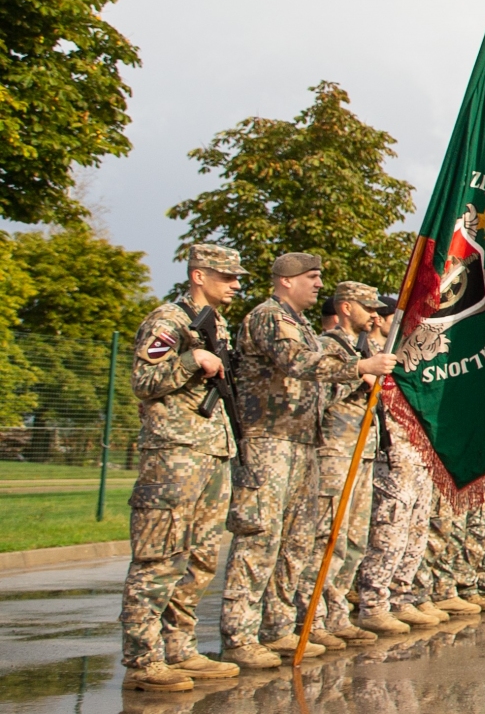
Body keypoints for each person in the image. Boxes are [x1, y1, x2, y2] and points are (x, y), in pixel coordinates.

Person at [219, 254, 396, 668]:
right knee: (259, 539)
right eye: (312, 278)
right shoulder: (268, 317)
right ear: (285, 281)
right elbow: (295, 362)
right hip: (269, 439)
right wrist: (360, 366)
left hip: (301, 440)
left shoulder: (298, 324)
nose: (319, 286)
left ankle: (278, 628)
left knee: (295, 542)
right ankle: (239, 634)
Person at [120, 244, 248, 692]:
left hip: (210, 450)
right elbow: (143, 382)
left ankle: (180, 648)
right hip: (173, 454)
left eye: (237, 277)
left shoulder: (218, 325)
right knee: (159, 556)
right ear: (198, 276)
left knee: (200, 558)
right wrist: (191, 360)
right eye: (226, 276)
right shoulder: (168, 322)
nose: (235, 284)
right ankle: (143, 659)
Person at [294, 281, 389, 650]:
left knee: (353, 540)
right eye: (368, 307)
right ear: (347, 307)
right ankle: (312, 619)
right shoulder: (328, 346)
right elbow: (314, 394)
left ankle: (336, 615)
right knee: (326, 538)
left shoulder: (360, 349)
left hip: (361, 451)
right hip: (335, 451)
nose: (376, 315)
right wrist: (356, 376)